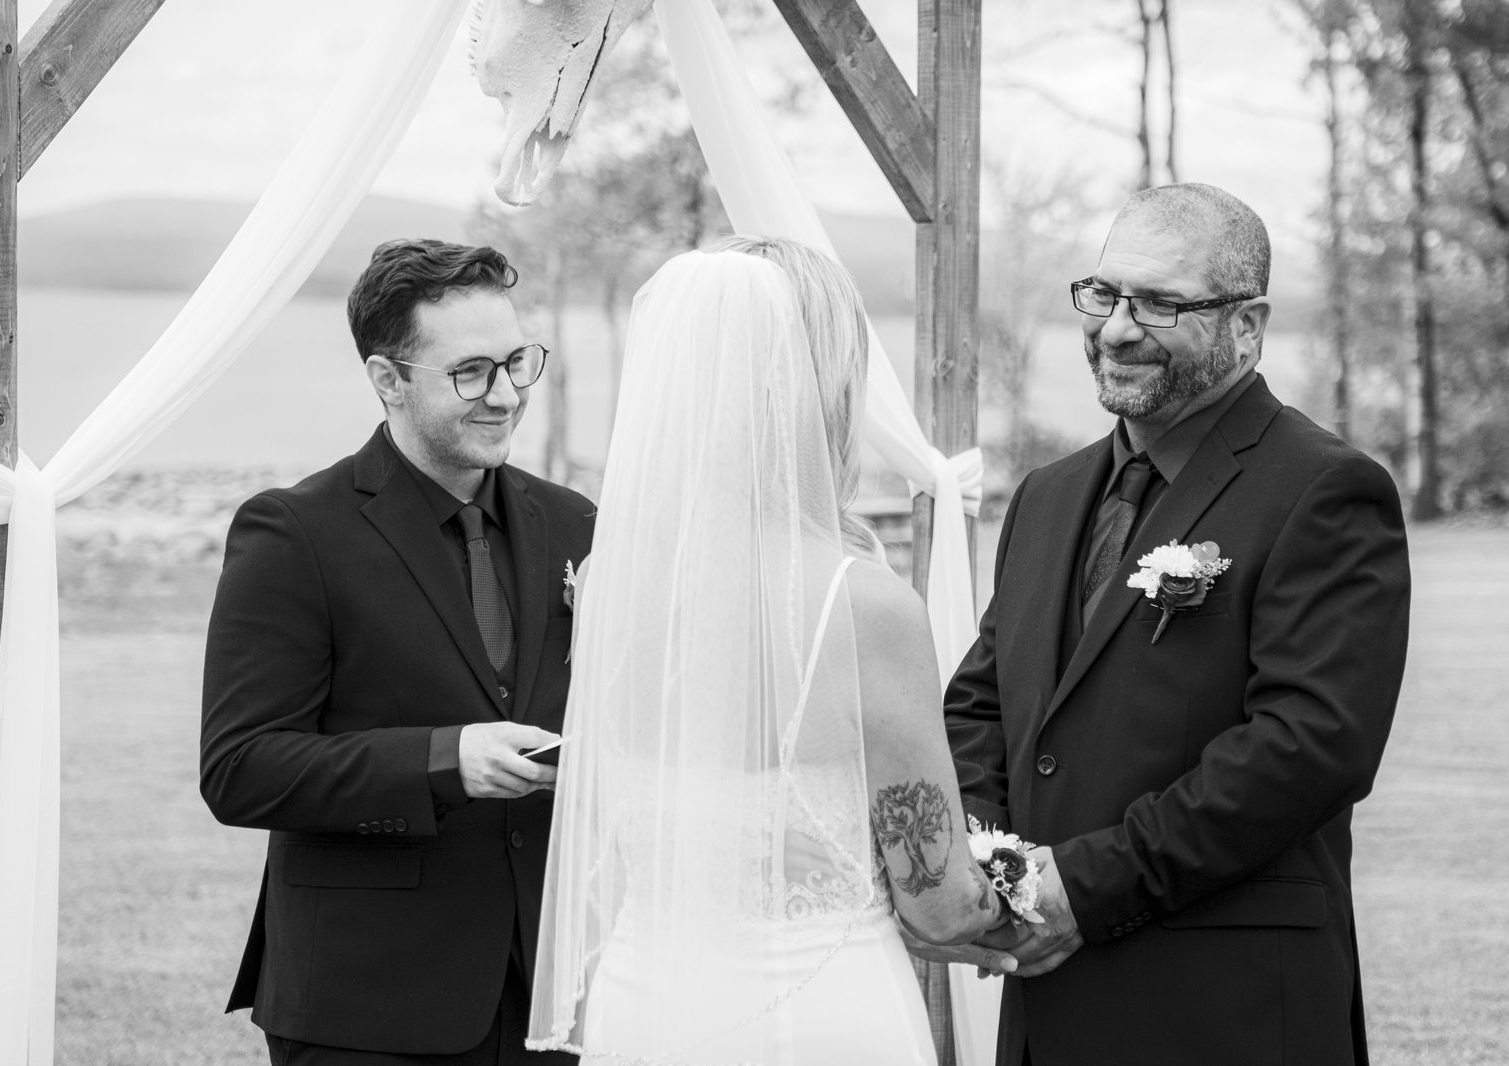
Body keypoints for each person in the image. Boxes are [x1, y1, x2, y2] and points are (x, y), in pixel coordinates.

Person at [937, 183, 1411, 1066]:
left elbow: (1308, 748)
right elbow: (980, 711)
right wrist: (1000, 880)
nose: (1117, 328)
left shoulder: (1325, 489)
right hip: (1049, 1008)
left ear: (1248, 323)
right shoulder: (1045, 497)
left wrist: (1081, 887)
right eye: (1106, 294)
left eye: (1160, 303)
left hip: (1221, 1011)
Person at [525, 237, 1015, 1066]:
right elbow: (935, 901)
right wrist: (1022, 897)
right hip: (817, 1014)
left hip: (643, 1002)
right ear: (826, 384)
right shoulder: (863, 605)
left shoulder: (612, 580)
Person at [200, 239, 595, 1066]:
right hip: (368, 1004)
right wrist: (445, 760)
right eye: (472, 372)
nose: (507, 395)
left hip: (555, 992)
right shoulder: (294, 532)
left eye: (519, 363)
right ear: (388, 381)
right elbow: (240, 768)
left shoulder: (576, 523)